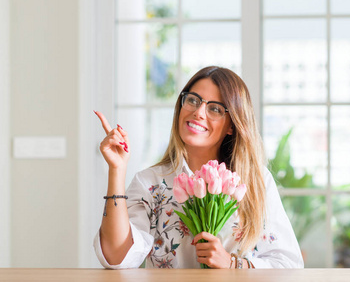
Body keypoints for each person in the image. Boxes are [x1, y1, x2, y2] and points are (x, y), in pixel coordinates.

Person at [93, 66, 304, 269]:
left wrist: (232, 264)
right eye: (193, 100)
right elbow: (116, 257)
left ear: (232, 125)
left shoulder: (253, 182)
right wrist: (117, 170)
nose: (199, 112)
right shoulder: (150, 182)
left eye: (215, 108)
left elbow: (288, 263)